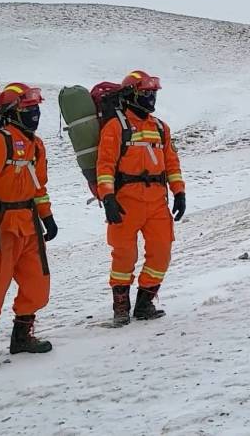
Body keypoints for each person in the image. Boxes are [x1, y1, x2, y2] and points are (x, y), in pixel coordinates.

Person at [0, 83, 58, 372]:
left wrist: (47, 216)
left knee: (37, 283)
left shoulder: (37, 145)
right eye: (28, 109)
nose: (35, 114)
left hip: (28, 225)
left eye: (37, 108)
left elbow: (38, 187)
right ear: (11, 113)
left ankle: (21, 336)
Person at [95, 70, 186, 326]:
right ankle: (121, 306)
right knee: (124, 256)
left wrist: (179, 192)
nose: (151, 98)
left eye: (153, 93)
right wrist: (108, 198)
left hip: (157, 203)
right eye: (146, 93)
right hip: (126, 203)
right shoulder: (116, 127)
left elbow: (172, 163)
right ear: (131, 95)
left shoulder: (160, 128)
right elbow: (104, 166)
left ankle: (145, 303)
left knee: (161, 253)